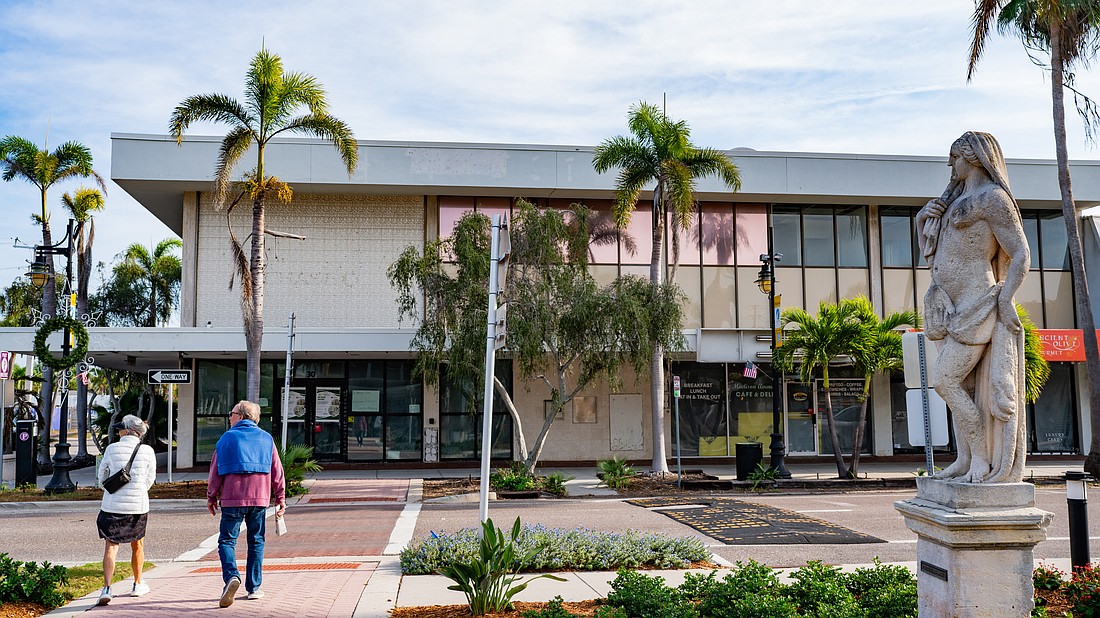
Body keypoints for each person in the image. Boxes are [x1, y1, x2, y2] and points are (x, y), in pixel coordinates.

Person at [915, 131, 1030, 484]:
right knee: (962, 389)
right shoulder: (954, 199)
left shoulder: (993, 198)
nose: (951, 164)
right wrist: (922, 220)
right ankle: (964, 459)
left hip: (975, 303)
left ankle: (981, 458)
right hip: (945, 304)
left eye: (956, 157)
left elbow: (1021, 253)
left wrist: (1006, 298)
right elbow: (933, 253)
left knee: (945, 381)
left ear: (975, 157)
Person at [207, 400, 286, 608]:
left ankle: (232, 576)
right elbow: (277, 470)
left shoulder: (226, 438)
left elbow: (215, 471)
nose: (229, 417)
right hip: (259, 498)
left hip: (232, 498)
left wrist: (211, 496)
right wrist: (280, 497)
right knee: (256, 541)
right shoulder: (266, 438)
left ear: (240, 416)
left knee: (226, 541)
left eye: (231, 414)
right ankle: (254, 588)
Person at [96, 414, 157, 605]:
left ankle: (107, 588)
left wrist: (112, 489)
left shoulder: (111, 449)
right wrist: (138, 490)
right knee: (137, 545)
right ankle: (137, 584)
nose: (118, 431)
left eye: (120, 428)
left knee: (111, 546)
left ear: (127, 431)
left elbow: (102, 477)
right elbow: (150, 479)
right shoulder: (147, 451)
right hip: (137, 506)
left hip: (112, 505)